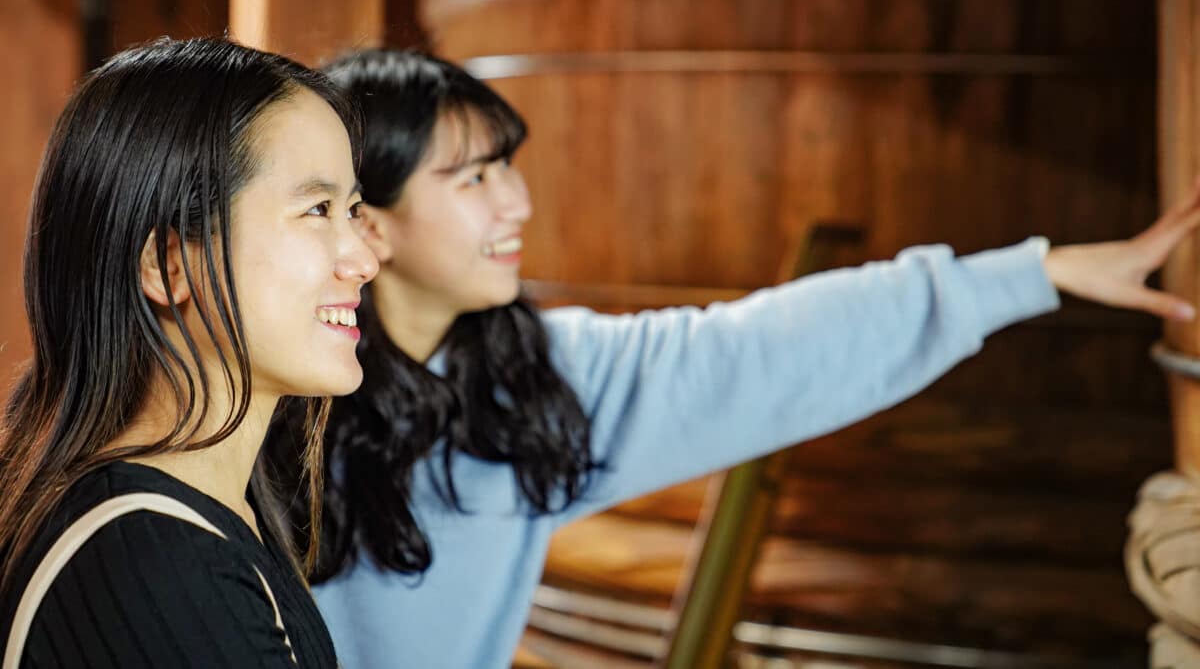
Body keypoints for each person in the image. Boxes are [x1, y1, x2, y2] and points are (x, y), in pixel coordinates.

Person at [281, 49, 1200, 669]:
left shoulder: (535, 379)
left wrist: (1035, 273)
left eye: (508, 165)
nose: (517, 202)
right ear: (367, 216)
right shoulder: (274, 384)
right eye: (473, 177)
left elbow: (765, 345)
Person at [0, 37, 379, 668]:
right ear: (169, 264)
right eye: (317, 210)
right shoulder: (151, 562)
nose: (364, 260)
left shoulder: (202, 517)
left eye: (354, 209)